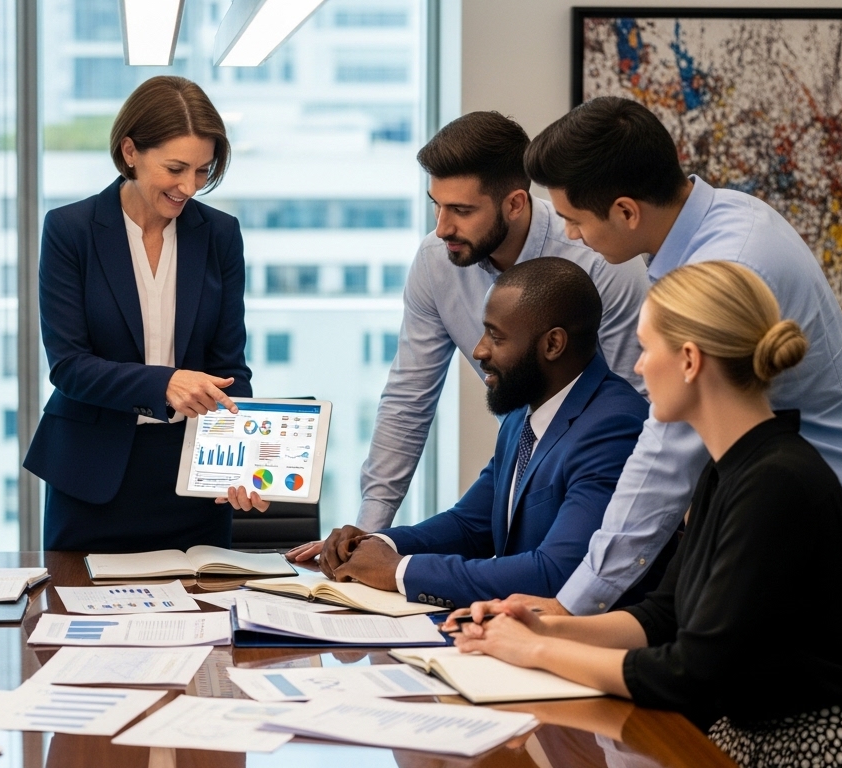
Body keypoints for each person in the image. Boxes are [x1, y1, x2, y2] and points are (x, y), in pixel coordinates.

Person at [444, 261, 842, 767]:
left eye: (647, 350)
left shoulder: (776, 482)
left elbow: (689, 673)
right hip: (756, 732)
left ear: (689, 361)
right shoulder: (728, 469)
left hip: (819, 750)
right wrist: (546, 627)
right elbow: (662, 616)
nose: (639, 369)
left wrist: (534, 651)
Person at [515, 96, 842, 622]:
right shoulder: (727, 216)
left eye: (573, 219)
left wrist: (570, 606)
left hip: (820, 523)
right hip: (776, 507)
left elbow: (666, 456)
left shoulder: (726, 264)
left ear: (626, 211)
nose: (570, 235)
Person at [273, 111, 648, 558]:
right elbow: (409, 398)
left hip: (600, 479)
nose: (442, 227)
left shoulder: (601, 261)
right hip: (519, 456)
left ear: (514, 203)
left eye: (462, 211)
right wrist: (365, 537)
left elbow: (636, 404)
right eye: (436, 204)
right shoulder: (437, 261)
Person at [312, 258, 647, 609]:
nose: (478, 350)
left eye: (495, 336)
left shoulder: (614, 426)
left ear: (552, 345)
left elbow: (556, 573)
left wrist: (398, 570)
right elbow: (470, 525)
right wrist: (375, 544)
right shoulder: (524, 412)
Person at [24, 76, 251, 552]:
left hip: (193, 483)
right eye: (175, 168)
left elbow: (230, 369)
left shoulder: (220, 235)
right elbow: (68, 366)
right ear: (130, 151)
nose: (189, 187)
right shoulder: (70, 230)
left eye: (203, 170)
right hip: (91, 478)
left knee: (204, 601)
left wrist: (239, 462)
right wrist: (165, 383)